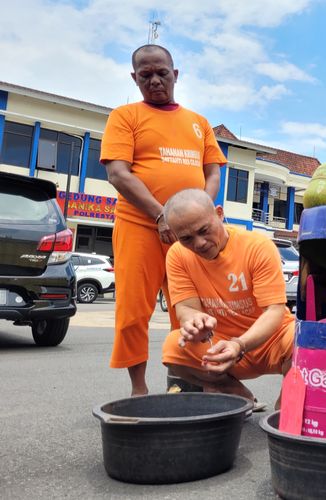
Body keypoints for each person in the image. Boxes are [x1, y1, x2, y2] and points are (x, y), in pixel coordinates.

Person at [101, 44, 227, 396]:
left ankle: (192, 385)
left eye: (162, 73)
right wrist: (160, 215)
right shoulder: (125, 116)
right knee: (132, 311)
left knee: (191, 310)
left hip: (187, 236)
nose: (155, 81)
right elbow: (118, 174)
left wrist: (198, 214)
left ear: (176, 74)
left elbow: (212, 174)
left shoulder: (199, 123)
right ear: (134, 78)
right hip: (140, 225)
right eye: (146, 76)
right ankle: (138, 390)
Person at [160, 189, 295, 409]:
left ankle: (286, 408)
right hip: (220, 345)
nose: (199, 243)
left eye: (204, 230)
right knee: (173, 347)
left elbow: (274, 310)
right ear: (175, 235)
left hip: (271, 340)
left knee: (304, 341)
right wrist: (196, 323)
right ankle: (236, 393)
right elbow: (186, 308)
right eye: (186, 238)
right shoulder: (177, 255)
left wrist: (239, 344)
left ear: (219, 214)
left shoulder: (256, 246)